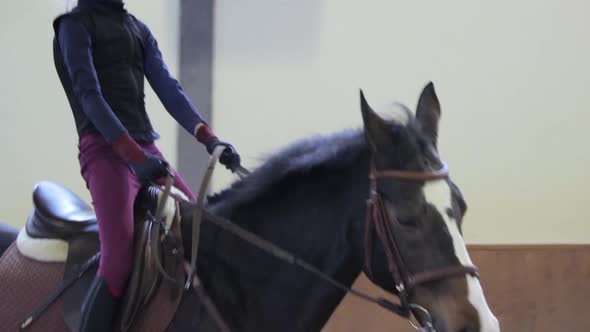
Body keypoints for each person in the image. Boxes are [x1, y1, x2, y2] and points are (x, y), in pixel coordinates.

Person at [52, 0, 241, 330]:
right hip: (105, 153)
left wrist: (209, 139)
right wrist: (132, 156)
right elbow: (89, 96)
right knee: (117, 261)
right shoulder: (73, 27)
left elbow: (169, 89)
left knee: (198, 226)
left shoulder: (137, 29)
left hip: (145, 149)